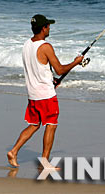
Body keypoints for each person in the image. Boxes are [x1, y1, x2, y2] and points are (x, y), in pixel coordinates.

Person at [7, 14, 83, 169]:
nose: (49, 28)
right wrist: (76, 62)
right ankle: (44, 162)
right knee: (51, 125)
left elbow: (38, 67)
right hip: (46, 96)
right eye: (48, 25)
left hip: (33, 94)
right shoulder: (45, 46)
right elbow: (60, 69)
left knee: (35, 124)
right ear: (43, 28)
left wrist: (52, 80)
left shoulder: (27, 44)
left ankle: (14, 151)